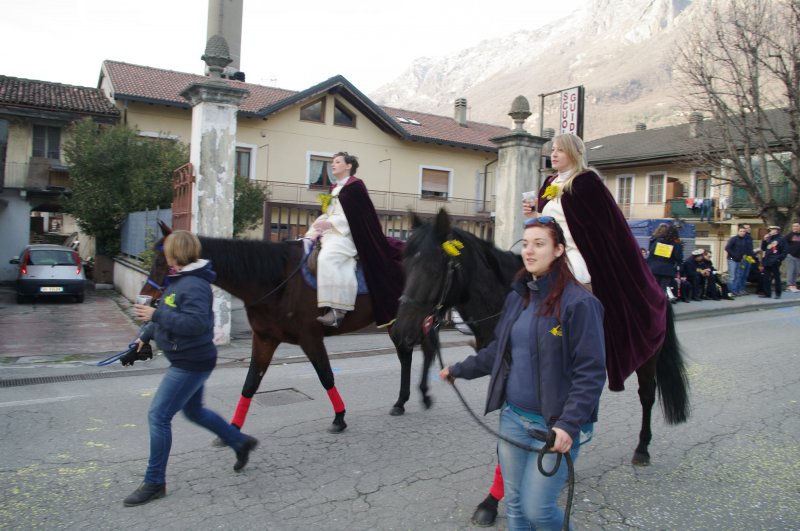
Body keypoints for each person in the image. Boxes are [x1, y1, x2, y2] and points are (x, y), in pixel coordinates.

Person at [440, 218, 606, 530]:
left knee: (538, 511)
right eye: (526, 243)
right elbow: (498, 351)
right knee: (515, 506)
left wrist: (569, 425)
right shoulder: (519, 296)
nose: (529, 251)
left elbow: (591, 372)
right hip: (513, 419)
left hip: (554, 426)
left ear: (558, 250)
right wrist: (459, 370)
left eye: (539, 244)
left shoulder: (581, 303)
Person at [124, 231, 258, 507]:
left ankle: (154, 482)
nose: (164, 257)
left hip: (190, 362)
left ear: (176, 254)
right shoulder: (179, 280)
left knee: (159, 415)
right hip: (187, 358)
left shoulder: (194, 285)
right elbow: (169, 309)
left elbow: (196, 324)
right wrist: (145, 335)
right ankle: (239, 441)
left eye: (167, 252)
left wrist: (155, 315)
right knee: (194, 411)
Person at [305, 152, 403, 327]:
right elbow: (325, 213)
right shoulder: (332, 188)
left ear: (348, 166)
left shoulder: (356, 186)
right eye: (332, 162)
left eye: (337, 162)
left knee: (328, 258)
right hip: (329, 233)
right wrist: (315, 229)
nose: (333, 165)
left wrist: (332, 224)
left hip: (348, 235)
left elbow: (359, 217)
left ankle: (337, 310)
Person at [646, 224, 683, 302]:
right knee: (662, 290)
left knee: (654, 288)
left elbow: (651, 252)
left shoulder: (658, 240)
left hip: (654, 268)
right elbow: (678, 257)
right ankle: (660, 306)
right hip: (667, 270)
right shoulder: (676, 243)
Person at [725, 225, 755, 296]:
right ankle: (730, 291)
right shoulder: (733, 239)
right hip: (732, 259)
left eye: (744, 231)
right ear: (738, 231)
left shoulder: (746, 239)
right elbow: (727, 248)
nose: (742, 232)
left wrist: (749, 257)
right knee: (732, 276)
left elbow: (747, 250)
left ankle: (735, 291)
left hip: (740, 260)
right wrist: (734, 255)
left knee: (738, 275)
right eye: (741, 231)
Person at [759, 225, 788, 299]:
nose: (771, 231)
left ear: (777, 230)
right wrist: (764, 240)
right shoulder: (769, 239)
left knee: (776, 278)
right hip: (767, 261)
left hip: (775, 261)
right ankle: (767, 293)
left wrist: (779, 259)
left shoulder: (781, 239)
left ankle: (778, 294)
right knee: (766, 278)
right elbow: (763, 248)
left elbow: (784, 251)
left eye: (773, 229)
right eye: (770, 230)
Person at [783, 222, 800, 292]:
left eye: (797, 226)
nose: (795, 227)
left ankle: (793, 285)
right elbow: (783, 243)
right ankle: (789, 285)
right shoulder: (790, 235)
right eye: (794, 226)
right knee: (791, 270)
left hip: (798, 256)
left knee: (796, 271)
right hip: (790, 255)